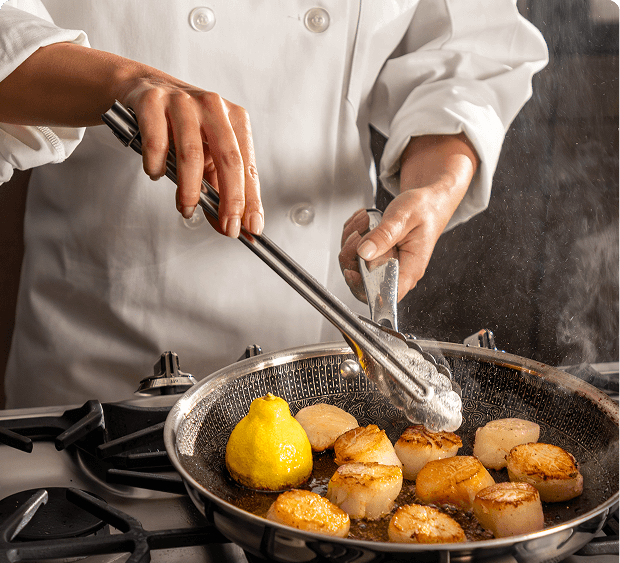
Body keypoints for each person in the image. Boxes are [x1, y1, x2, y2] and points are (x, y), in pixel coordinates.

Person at [0, 1, 548, 408]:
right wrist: (122, 84)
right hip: (104, 367)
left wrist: (432, 190)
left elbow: (469, 51)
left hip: (320, 365)